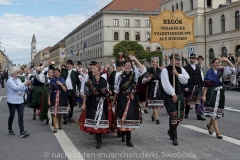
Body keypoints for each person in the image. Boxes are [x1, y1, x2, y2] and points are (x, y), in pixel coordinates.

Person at [113, 55, 146, 147]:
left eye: (129, 65)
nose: (127, 67)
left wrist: (135, 59)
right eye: (126, 65)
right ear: (123, 67)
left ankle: (129, 140)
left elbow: (143, 69)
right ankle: (123, 134)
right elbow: (116, 89)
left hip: (132, 98)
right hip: (122, 98)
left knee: (130, 117)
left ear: (131, 66)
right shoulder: (119, 76)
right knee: (122, 116)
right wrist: (114, 98)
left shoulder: (135, 74)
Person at [81, 64, 113, 149]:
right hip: (92, 103)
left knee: (101, 119)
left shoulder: (104, 81)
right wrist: (84, 103)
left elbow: (106, 94)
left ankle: (99, 139)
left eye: (94, 69)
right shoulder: (89, 81)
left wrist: (109, 103)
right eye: (92, 69)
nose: (93, 71)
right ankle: (97, 137)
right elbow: (86, 94)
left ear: (99, 71)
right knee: (94, 119)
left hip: (102, 103)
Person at [202, 57, 235, 139]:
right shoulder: (209, 72)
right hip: (211, 93)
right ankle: (218, 132)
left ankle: (209, 125)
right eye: (215, 62)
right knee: (213, 112)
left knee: (217, 112)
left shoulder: (222, 71)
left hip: (220, 93)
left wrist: (227, 60)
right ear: (212, 63)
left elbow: (233, 69)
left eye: (218, 62)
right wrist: (204, 95)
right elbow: (206, 85)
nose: (217, 64)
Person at [161, 53, 189, 145]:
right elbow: (166, 84)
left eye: (178, 60)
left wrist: (177, 74)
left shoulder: (181, 69)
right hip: (169, 96)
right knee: (173, 115)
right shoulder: (165, 70)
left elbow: (185, 80)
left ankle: (171, 131)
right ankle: (175, 138)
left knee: (179, 116)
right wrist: (173, 94)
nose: (177, 61)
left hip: (180, 95)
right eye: (176, 59)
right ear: (171, 60)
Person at [7, 66, 31, 137]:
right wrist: (25, 83)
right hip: (12, 101)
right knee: (12, 115)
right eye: (17, 72)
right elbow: (16, 88)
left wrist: (27, 86)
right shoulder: (9, 80)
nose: (18, 73)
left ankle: (22, 131)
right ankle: (10, 128)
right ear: (13, 73)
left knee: (21, 116)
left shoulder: (18, 80)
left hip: (20, 100)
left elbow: (22, 89)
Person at [184, 54, 205, 120]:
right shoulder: (186, 67)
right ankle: (186, 113)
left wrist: (202, 86)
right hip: (190, 86)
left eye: (193, 58)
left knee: (198, 101)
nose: (192, 59)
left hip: (197, 86)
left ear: (195, 59)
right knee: (188, 100)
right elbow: (184, 78)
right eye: (191, 58)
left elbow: (200, 77)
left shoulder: (198, 67)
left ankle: (198, 115)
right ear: (190, 59)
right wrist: (186, 86)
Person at [142, 59, 164, 124]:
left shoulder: (160, 70)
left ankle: (153, 115)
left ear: (157, 63)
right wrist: (147, 79)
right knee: (154, 103)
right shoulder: (148, 70)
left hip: (159, 88)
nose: (154, 64)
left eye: (156, 62)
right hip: (151, 88)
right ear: (151, 63)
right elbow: (143, 80)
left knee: (157, 103)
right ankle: (157, 119)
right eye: (153, 62)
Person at [61, 59, 81, 124]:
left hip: (72, 91)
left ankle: (70, 116)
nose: (67, 65)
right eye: (67, 64)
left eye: (69, 64)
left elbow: (78, 82)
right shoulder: (63, 71)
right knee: (65, 104)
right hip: (65, 90)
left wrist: (79, 90)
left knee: (71, 104)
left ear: (71, 65)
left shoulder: (74, 73)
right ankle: (65, 117)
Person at [48, 68, 68, 133]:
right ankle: (55, 127)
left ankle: (59, 123)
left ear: (60, 73)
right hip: (53, 97)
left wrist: (61, 84)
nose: (55, 74)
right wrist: (48, 99)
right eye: (54, 73)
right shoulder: (51, 80)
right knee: (54, 112)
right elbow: (49, 91)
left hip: (61, 97)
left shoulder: (62, 80)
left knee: (60, 112)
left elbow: (65, 90)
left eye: (57, 73)